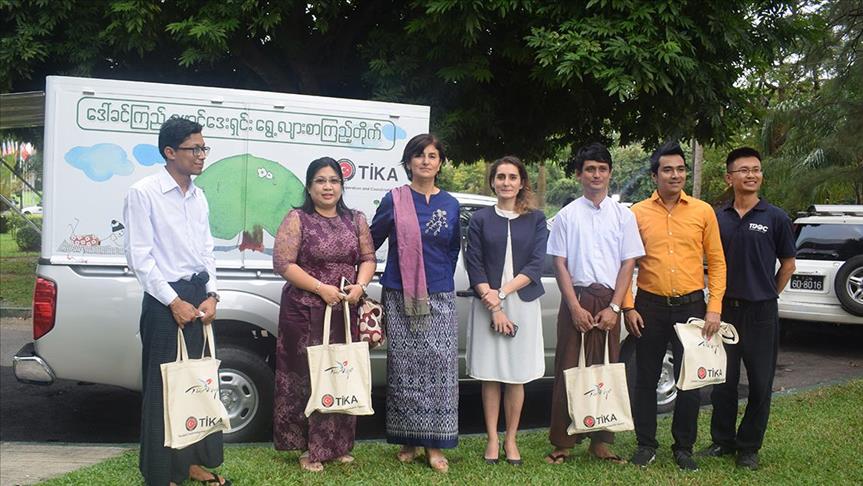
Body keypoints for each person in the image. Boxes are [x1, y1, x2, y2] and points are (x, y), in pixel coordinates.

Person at [124, 117, 230, 486]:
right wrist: (173, 302)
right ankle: (161, 473)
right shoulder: (144, 192)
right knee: (164, 389)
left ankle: (192, 464)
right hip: (163, 301)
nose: (201, 155)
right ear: (170, 152)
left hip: (198, 299)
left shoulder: (199, 196)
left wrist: (212, 294)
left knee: (196, 385)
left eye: (204, 148)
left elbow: (206, 251)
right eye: (194, 148)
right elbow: (139, 257)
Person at [622, 140, 727, 471]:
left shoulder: (702, 211)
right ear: (655, 176)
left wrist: (714, 307)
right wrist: (628, 306)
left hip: (692, 308)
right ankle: (645, 445)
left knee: (690, 381)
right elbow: (624, 263)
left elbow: (717, 261)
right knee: (646, 378)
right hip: (648, 306)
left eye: (680, 169)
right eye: (667, 170)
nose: (675, 175)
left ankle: (684, 448)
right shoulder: (636, 213)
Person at [272, 157, 376, 472]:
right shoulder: (298, 218)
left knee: (341, 373)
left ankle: (337, 446)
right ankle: (308, 448)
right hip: (304, 312)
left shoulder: (356, 219)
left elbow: (368, 258)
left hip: (343, 310)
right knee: (307, 376)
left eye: (333, 181)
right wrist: (320, 289)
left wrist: (360, 286)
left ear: (341, 186)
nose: (327, 187)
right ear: (309, 187)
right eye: (320, 181)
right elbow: (283, 263)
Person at [545, 143, 644, 465]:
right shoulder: (566, 216)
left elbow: (628, 263)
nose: (596, 175)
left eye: (602, 169)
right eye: (590, 169)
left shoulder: (624, 216)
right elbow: (559, 263)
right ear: (579, 174)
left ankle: (601, 442)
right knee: (568, 368)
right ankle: (563, 442)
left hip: (607, 301)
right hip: (576, 297)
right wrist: (574, 308)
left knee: (606, 368)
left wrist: (615, 308)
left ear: (610, 173)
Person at [698, 147, 796, 470]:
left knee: (760, 383)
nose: (751, 175)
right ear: (730, 178)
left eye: (756, 169)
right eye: (744, 170)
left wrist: (768, 293)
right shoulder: (716, 217)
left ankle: (749, 447)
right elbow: (706, 262)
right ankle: (722, 440)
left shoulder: (776, 217)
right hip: (724, 312)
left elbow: (788, 265)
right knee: (723, 382)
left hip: (761, 314)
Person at [370, 133, 461, 473]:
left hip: (439, 294)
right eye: (419, 155)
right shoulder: (394, 200)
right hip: (400, 294)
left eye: (432, 155)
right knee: (405, 368)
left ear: (440, 163)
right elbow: (371, 241)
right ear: (408, 162)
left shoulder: (450, 204)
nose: (426, 161)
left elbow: (452, 248)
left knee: (439, 368)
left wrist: (435, 278)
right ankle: (409, 439)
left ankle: (434, 444)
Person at [465, 156, 548, 466]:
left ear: (522, 182)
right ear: (493, 182)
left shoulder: (536, 219)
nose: (506, 182)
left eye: (512, 177)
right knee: (491, 373)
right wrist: (494, 304)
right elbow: (474, 263)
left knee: (516, 374)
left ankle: (511, 438)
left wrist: (502, 294)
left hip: (521, 301)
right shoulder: (480, 219)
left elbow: (536, 265)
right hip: (486, 302)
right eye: (500, 177)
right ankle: (492, 438)